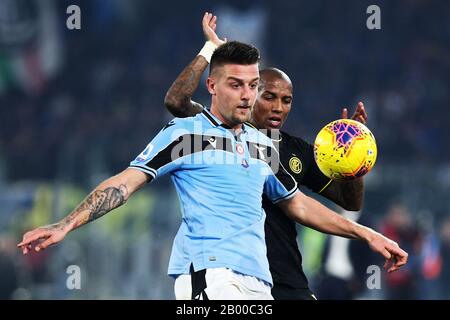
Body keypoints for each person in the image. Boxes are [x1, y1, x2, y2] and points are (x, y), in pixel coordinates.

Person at [18, 35, 407, 302]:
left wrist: (365, 234)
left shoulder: (261, 147)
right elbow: (125, 182)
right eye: (236, 85)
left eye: (252, 85)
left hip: (260, 283)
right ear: (212, 87)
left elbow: (299, 205)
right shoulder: (186, 133)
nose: (247, 94)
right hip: (211, 277)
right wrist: (65, 223)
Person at [163, 12, 406, 300]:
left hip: (287, 280)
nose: (279, 107)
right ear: (250, 94)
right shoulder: (218, 133)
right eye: (269, 97)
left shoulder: (297, 151)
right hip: (232, 277)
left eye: (286, 100)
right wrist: (210, 50)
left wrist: (353, 160)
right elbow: (176, 101)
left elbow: (350, 201)